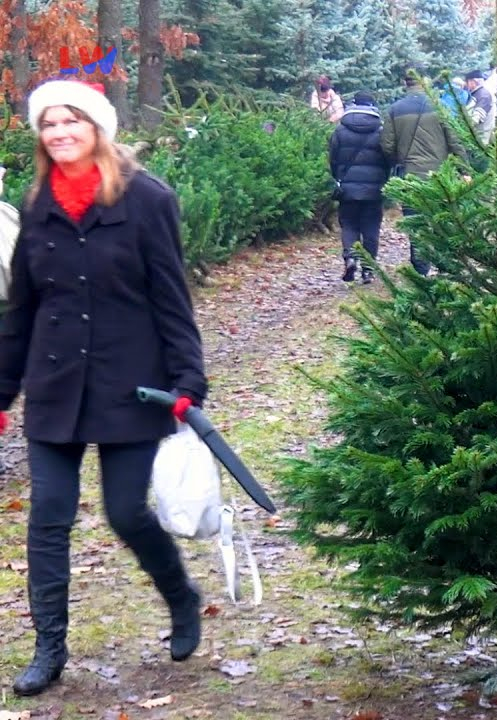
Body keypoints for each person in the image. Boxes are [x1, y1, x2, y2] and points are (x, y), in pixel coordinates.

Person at [0, 79, 207, 696]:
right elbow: (23, 310)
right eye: (49, 125)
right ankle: (49, 648)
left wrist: (188, 378)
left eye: (72, 122)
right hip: (56, 383)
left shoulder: (146, 198)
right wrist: (2, 391)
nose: (60, 133)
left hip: (129, 384)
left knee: (125, 512)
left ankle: (181, 595)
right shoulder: (36, 205)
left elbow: (172, 297)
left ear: (97, 127)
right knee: (48, 518)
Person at [382, 71, 466, 274]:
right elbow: (455, 140)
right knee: (441, 222)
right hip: (439, 176)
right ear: (425, 81)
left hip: (410, 176)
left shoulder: (395, 109)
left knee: (416, 225)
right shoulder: (440, 106)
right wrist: (464, 169)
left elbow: (386, 145)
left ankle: (421, 271)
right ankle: (445, 268)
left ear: (405, 83)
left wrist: (399, 160)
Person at [329, 91, 390, 284]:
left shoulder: (340, 130)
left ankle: (350, 257)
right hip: (374, 190)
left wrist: (338, 177)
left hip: (347, 189)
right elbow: (388, 158)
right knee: (371, 228)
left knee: (349, 225)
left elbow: (332, 159)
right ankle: (368, 270)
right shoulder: (381, 131)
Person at [464, 70, 496, 138]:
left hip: (481, 135)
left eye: (467, 81)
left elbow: (476, 118)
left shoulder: (483, 95)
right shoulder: (476, 94)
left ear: (473, 81)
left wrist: (464, 126)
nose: (466, 84)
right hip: (474, 134)